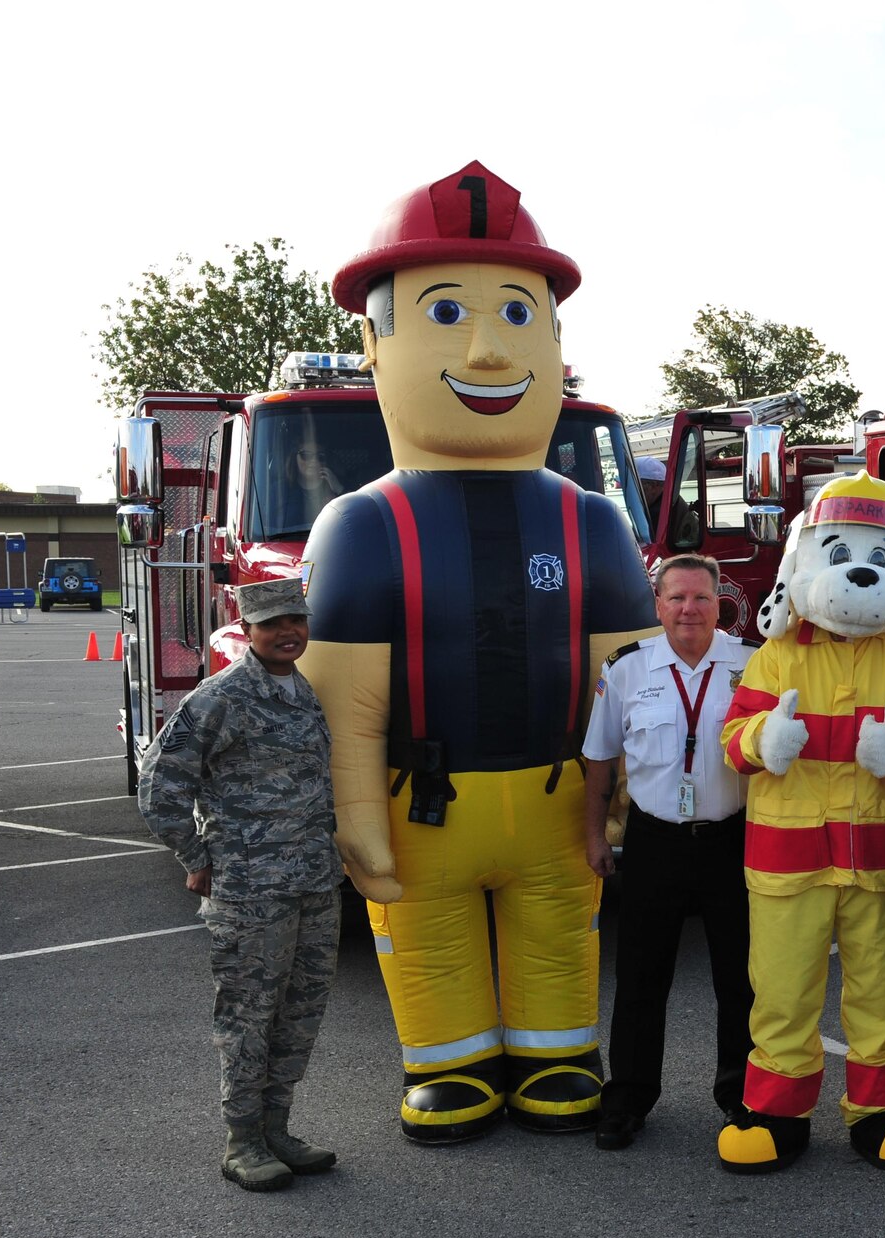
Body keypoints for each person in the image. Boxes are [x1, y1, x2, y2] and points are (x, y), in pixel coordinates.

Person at [304, 161, 659, 1142]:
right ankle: (450, 1057)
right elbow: (346, 697)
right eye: (446, 311)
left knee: (561, 932)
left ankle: (553, 1047)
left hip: (556, 800)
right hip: (427, 806)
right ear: (374, 343)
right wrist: (353, 808)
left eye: (515, 316)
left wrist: (635, 780)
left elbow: (631, 673)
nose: (486, 351)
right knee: (427, 936)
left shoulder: (591, 522)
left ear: (553, 339)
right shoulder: (361, 526)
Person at [137, 577, 343, 1192]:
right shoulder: (220, 697)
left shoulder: (303, 691)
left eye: (297, 621)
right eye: (274, 623)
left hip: (312, 881)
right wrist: (194, 855)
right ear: (247, 630)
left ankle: (278, 1128)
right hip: (252, 891)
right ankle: (243, 1141)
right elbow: (159, 786)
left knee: (300, 1012)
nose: (289, 632)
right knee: (249, 1015)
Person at [581, 554, 756, 1151]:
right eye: (676, 598)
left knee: (741, 977)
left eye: (701, 598)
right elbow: (600, 760)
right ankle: (628, 1098)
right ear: (657, 605)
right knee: (640, 977)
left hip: (732, 838)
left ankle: (741, 1095)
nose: (689, 609)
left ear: (718, 604)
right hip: (654, 838)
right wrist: (594, 835)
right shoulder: (626, 668)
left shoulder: (753, 664)